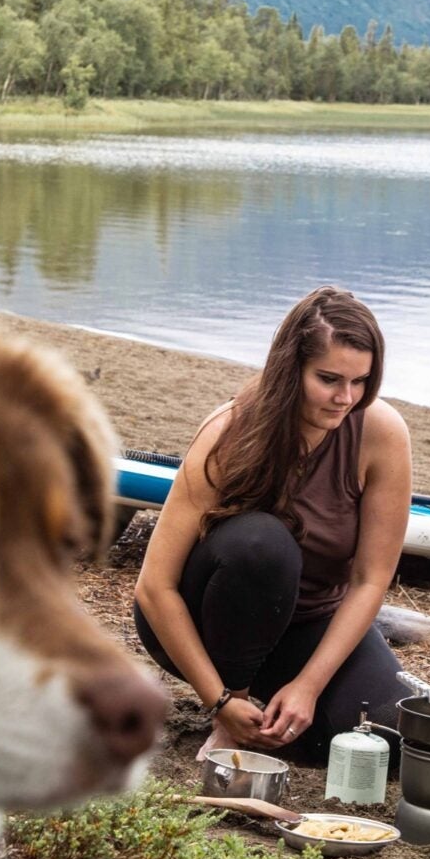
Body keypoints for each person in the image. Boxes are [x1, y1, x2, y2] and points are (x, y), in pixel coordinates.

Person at [133, 286, 413, 763]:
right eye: (328, 379)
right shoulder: (228, 431)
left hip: (306, 625)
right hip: (205, 625)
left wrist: (308, 686)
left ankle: (278, 703)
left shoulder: (381, 433)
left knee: (384, 740)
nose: (345, 398)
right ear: (291, 369)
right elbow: (154, 588)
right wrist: (223, 702)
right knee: (263, 543)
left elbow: (370, 579)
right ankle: (235, 714)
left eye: (361, 381)